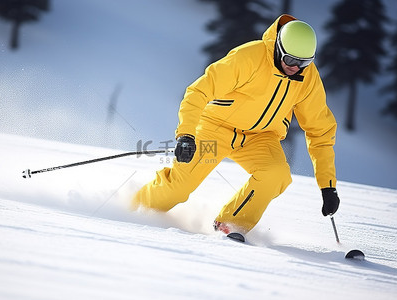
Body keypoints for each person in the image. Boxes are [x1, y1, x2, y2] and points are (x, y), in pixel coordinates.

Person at [131, 14, 340, 237]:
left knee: (276, 174)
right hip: (216, 128)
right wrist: (186, 135)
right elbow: (197, 91)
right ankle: (134, 209)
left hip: (260, 138)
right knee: (179, 187)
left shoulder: (308, 78)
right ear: (278, 47)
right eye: (290, 60)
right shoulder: (248, 57)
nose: (296, 68)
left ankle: (229, 225)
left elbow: (320, 131)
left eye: (304, 62)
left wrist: (328, 185)